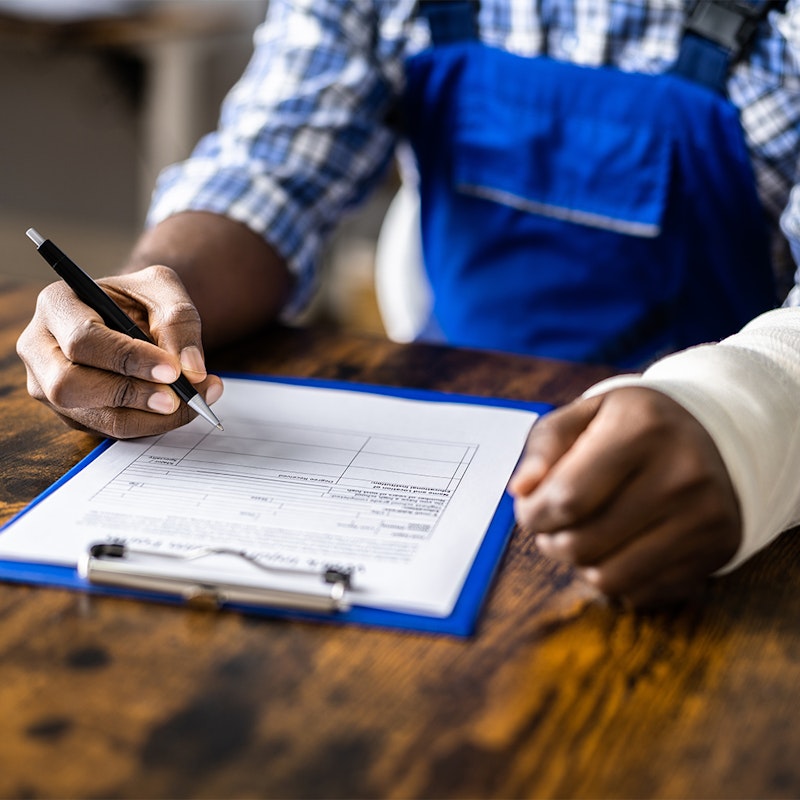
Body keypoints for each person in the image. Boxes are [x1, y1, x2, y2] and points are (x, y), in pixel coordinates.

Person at [15, 0, 800, 607]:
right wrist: (150, 296)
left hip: (706, 484)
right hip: (456, 434)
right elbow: (272, 167)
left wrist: (742, 422)